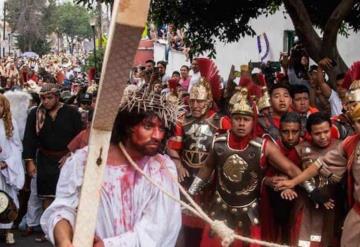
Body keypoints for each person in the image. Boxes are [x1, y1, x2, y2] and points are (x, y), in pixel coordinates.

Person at [41, 85, 182, 246]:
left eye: (162, 128)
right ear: (128, 126)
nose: (157, 136)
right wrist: (64, 240)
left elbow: (159, 232)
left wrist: (107, 245)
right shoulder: (84, 161)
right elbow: (62, 209)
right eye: (148, 126)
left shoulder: (162, 170)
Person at [188, 88, 316, 247]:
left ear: (253, 121)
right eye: (238, 119)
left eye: (246, 119)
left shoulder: (264, 146)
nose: (241, 124)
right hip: (220, 208)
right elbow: (207, 168)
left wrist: (313, 190)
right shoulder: (218, 142)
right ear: (231, 120)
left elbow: (290, 168)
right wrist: (191, 192)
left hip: (249, 212)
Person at [167, 78, 231, 247]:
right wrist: (178, 165)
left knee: (212, 223)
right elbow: (173, 147)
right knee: (186, 220)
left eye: (199, 101)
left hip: (213, 179)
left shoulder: (221, 121)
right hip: (187, 175)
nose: (195, 105)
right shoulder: (182, 119)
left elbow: (228, 151)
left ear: (209, 102)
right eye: (192, 101)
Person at [22, 83, 83, 241]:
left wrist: (71, 154)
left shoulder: (71, 112)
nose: (46, 101)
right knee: (47, 196)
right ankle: (49, 231)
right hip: (45, 158)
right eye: (43, 98)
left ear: (57, 97)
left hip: (67, 160)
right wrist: (29, 161)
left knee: (66, 196)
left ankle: (67, 232)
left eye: (49, 97)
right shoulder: (35, 114)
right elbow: (29, 138)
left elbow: (81, 136)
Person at [290, 112, 341, 246]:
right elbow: (290, 173)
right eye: (317, 133)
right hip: (306, 205)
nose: (323, 137)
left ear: (331, 129)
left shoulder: (341, 147)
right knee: (303, 241)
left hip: (331, 205)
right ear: (309, 133)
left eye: (326, 131)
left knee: (327, 240)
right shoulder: (300, 150)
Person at [261, 112, 302, 244]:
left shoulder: (306, 148)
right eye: (285, 132)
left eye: (294, 132)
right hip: (272, 202)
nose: (290, 137)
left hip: (299, 199)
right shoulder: (271, 148)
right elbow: (255, 174)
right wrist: (267, 180)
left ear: (301, 131)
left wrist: (291, 185)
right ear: (279, 131)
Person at [0, 94, 24, 245]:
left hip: (6, 170)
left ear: (5, 107)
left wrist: (7, 162)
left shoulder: (10, 123)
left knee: (8, 201)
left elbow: (17, 147)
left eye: (0, 105)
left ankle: (8, 232)